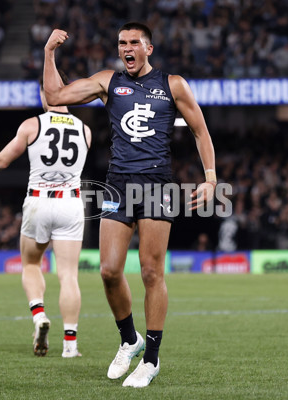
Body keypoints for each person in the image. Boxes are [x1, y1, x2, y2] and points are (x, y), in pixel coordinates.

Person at [43, 22, 217, 387]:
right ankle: (129, 339)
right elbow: (55, 97)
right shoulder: (109, 81)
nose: (127, 48)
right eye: (122, 43)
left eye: (134, 42)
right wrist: (49, 53)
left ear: (148, 48)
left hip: (156, 185)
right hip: (118, 184)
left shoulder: (173, 84)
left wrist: (212, 177)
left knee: (152, 273)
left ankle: (151, 359)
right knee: (108, 270)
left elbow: (200, 130)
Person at [0, 73, 91, 359]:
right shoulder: (85, 130)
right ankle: (70, 345)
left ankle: (39, 316)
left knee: (30, 264)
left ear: (44, 93)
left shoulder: (32, 124)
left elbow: (1, 160)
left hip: (39, 201)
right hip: (72, 204)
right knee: (69, 275)